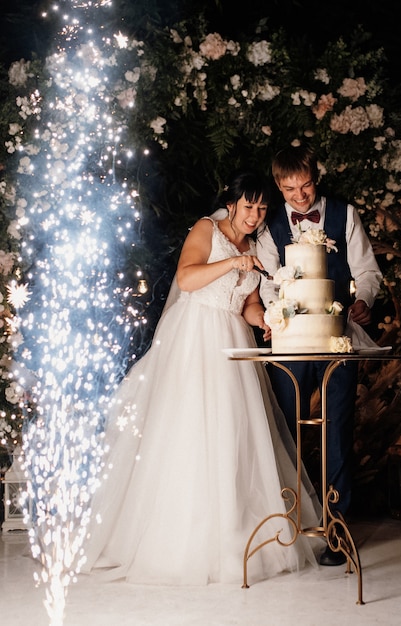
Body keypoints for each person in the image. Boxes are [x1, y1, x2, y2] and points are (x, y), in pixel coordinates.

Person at [80, 170, 322, 586]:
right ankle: (178, 540)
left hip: (232, 339)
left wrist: (266, 321)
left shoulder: (255, 244)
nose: (255, 214)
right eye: (249, 206)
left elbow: (244, 302)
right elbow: (187, 278)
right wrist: (232, 261)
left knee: (234, 434)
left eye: (262, 207)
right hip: (195, 337)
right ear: (231, 204)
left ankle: (233, 533)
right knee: (189, 431)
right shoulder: (207, 229)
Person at [256, 143, 383, 566]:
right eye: (290, 188)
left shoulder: (344, 215)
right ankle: (285, 529)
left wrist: (362, 299)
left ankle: (336, 532)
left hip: (337, 339)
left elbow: (366, 270)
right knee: (282, 433)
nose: (300, 195)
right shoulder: (270, 223)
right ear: (279, 185)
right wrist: (278, 313)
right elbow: (267, 284)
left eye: (306, 185)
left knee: (337, 432)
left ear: (316, 177)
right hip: (290, 343)